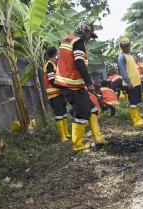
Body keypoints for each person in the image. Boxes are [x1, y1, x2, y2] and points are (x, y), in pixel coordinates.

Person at [55, 19, 107, 150]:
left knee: (93, 109)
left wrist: (86, 84)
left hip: (73, 85)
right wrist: (89, 83)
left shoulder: (68, 39)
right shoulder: (78, 42)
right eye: (89, 34)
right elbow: (79, 63)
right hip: (72, 85)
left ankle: (98, 138)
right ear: (84, 31)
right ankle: (77, 144)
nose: (89, 37)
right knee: (82, 113)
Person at [118, 37, 143, 127]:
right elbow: (123, 71)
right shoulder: (121, 57)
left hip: (137, 83)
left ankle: (139, 119)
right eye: (124, 47)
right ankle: (136, 121)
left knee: (137, 101)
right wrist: (128, 82)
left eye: (128, 46)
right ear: (121, 47)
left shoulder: (130, 56)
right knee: (133, 102)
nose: (127, 48)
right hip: (131, 84)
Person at [43, 46, 71, 142]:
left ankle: (66, 133)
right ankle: (62, 136)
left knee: (63, 112)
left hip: (59, 92)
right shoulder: (49, 64)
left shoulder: (54, 64)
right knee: (59, 113)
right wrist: (64, 87)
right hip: (54, 94)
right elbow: (51, 81)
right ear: (55, 54)